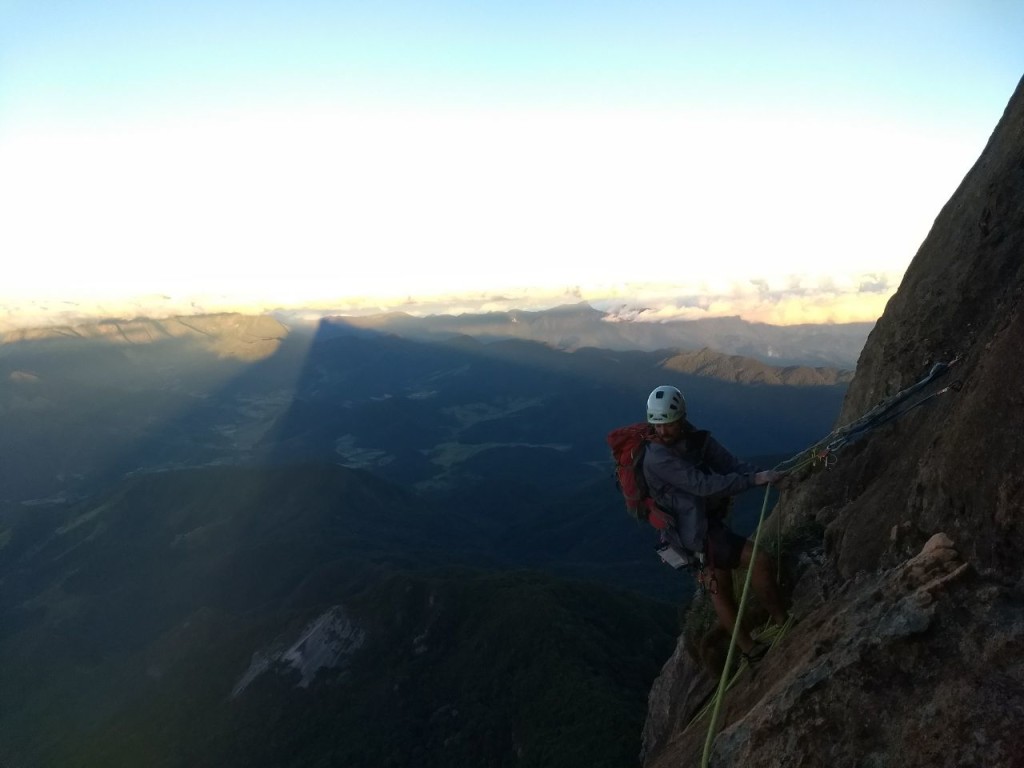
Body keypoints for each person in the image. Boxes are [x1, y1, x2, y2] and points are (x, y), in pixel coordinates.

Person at [642, 384, 788, 662]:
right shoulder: (657, 458)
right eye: (657, 425)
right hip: (694, 533)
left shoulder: (696, 440)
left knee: (719, 586)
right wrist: (755, 480)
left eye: (668, 424)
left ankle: (750, 649)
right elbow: (703, 485)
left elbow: (730, 464)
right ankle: (782, 623)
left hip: (705, 523)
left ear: (681, 418)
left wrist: (765, 475)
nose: (662, 431)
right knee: (758, 560)